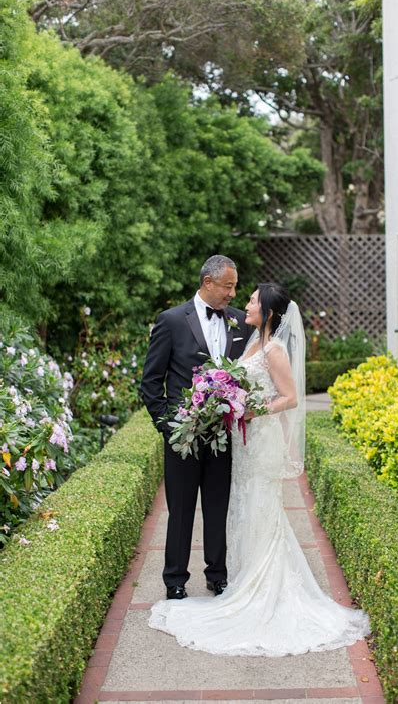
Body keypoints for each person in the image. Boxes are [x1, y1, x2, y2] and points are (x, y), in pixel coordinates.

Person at [147, 283, 371, 656]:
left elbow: (289, 397)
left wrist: (250, 410)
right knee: (214, 508)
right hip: (225, 439)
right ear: (210, 282)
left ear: (266, 311)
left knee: (250, 509)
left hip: (254, 439)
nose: (241, 299)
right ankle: (190, 580)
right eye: (234, 288)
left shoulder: (268, 343)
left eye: (249, 296)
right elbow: (162, 380)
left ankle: (239, 582)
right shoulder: (241, 333)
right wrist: (174, 422)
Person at [140, 255, 253, 600]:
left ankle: (217, 575)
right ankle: (175, 579)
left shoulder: (238, 322)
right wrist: (168, 426)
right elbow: (150, 382)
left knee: (218, 506)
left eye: (234, 286)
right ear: (208, 283)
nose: (233, 293)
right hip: (183, 437)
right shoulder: (172, 321)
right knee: (181, 509)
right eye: (228, 286)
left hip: (223, 435)